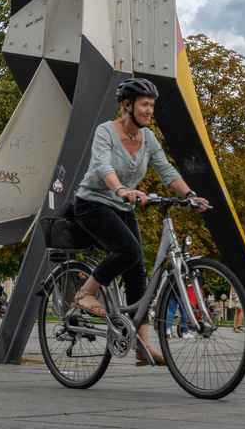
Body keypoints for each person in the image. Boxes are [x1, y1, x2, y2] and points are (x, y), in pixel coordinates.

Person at [69, 77, 210, 368]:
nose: (150, 110)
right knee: (128, 250)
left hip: (124, 205)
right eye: (145, 105)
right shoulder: (106, 131)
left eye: (152, 105)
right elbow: (102, 165)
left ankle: (142, 347)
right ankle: (86, 292)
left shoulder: (148, 139)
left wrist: (191, 195)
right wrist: (121, 188)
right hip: (93, 203)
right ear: (127, 105)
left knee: (138, 273)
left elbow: (165, 170)